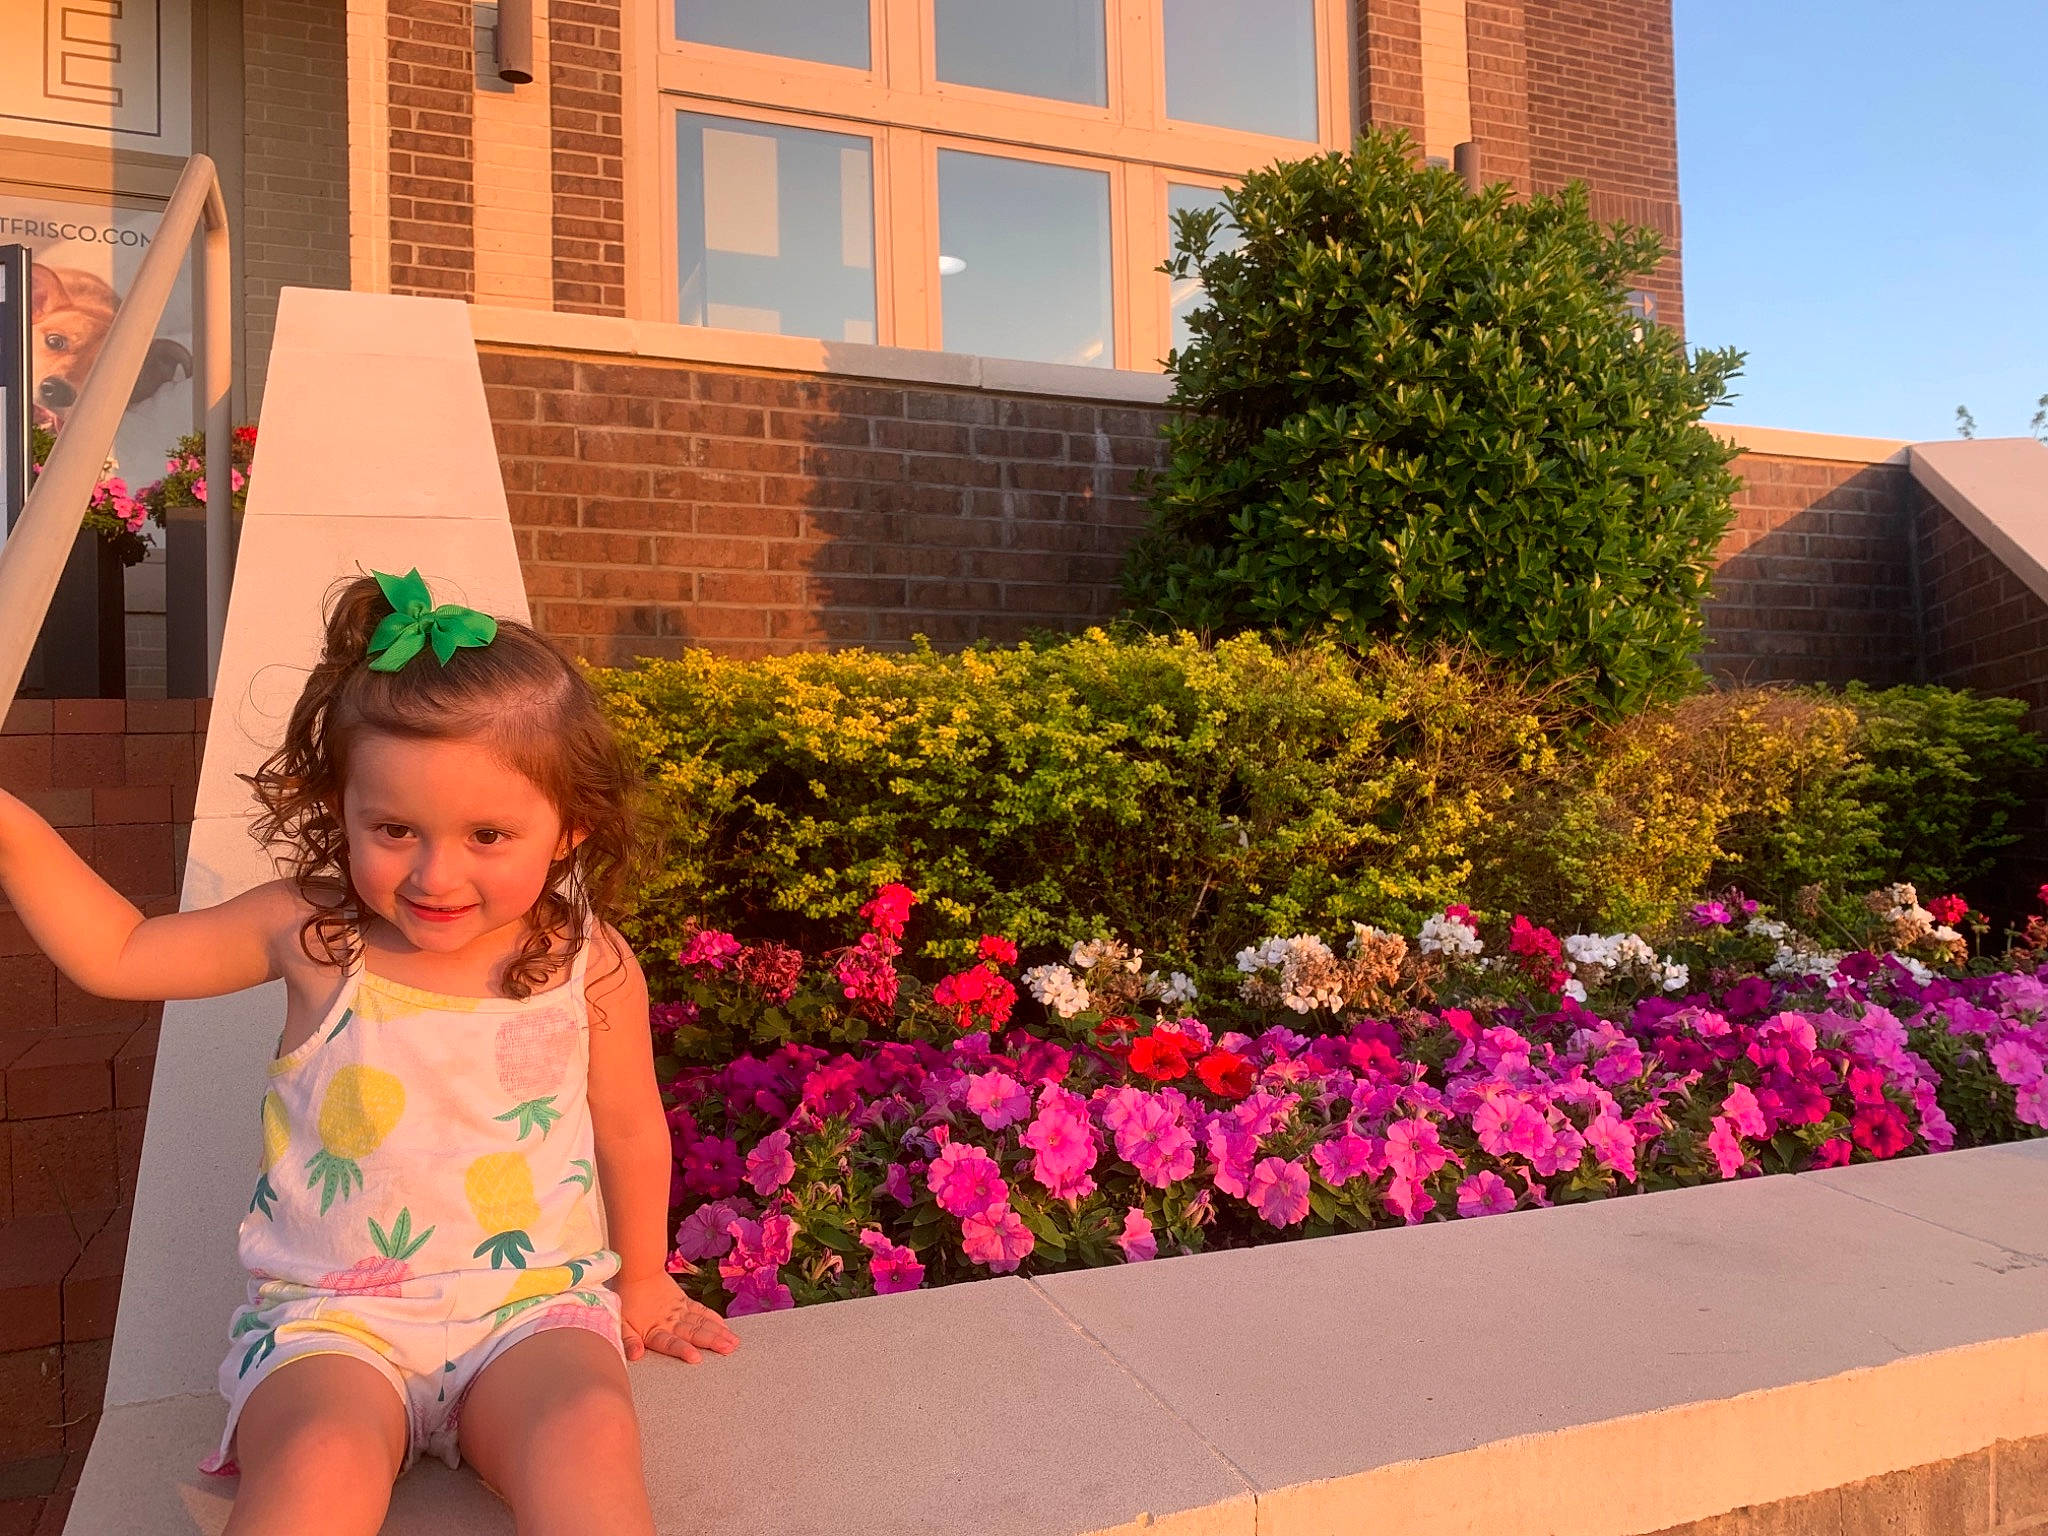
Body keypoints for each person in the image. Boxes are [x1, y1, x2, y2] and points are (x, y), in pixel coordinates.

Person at [0, 569, 737, 1535]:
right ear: (339, 807)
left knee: (589, 1435)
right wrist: (9, 828)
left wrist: (642, 1277)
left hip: (528, 1311)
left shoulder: (586, 962)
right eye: (393, 830)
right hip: (331, 1327)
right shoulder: (317, 936)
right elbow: (123, 951)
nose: (436, 874)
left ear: (571, 830)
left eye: (487, 835)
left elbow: (631, 1126)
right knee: (315, 1468)